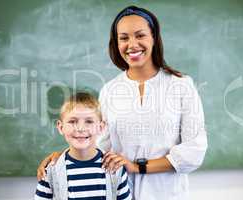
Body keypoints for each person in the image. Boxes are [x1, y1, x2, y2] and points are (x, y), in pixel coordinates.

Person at [37, 5, 207, 200]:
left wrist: (137, 167)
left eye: (140, 35)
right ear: (116, 43)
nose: (132, 44)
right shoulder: (110, 90)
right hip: (117, 193)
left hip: (167, 194)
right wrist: (62, 157)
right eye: (124, 38)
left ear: (153, 37)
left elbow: (194, 151)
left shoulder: (181, 85)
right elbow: (99, 146)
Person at [35, 92, 132, 200]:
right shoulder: (51, 171)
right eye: (72, 121)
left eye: (89, 121)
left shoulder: (115, 168)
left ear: (101, 127)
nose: (80, 128)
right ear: (60, 127)